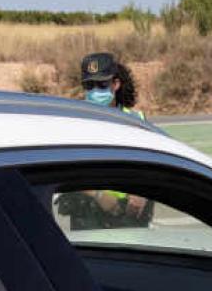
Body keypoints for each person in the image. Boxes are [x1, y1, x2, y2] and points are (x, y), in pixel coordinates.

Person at [61, 52, 153, 229]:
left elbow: (154, 167)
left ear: (115, 84)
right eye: (89, 85)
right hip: (88, 220)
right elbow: (63, 172)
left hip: (130, 220)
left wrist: (143, 194)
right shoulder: (75, 125)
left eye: (102, 85)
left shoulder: (136, 121)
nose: (95, 91)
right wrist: (98, 195)